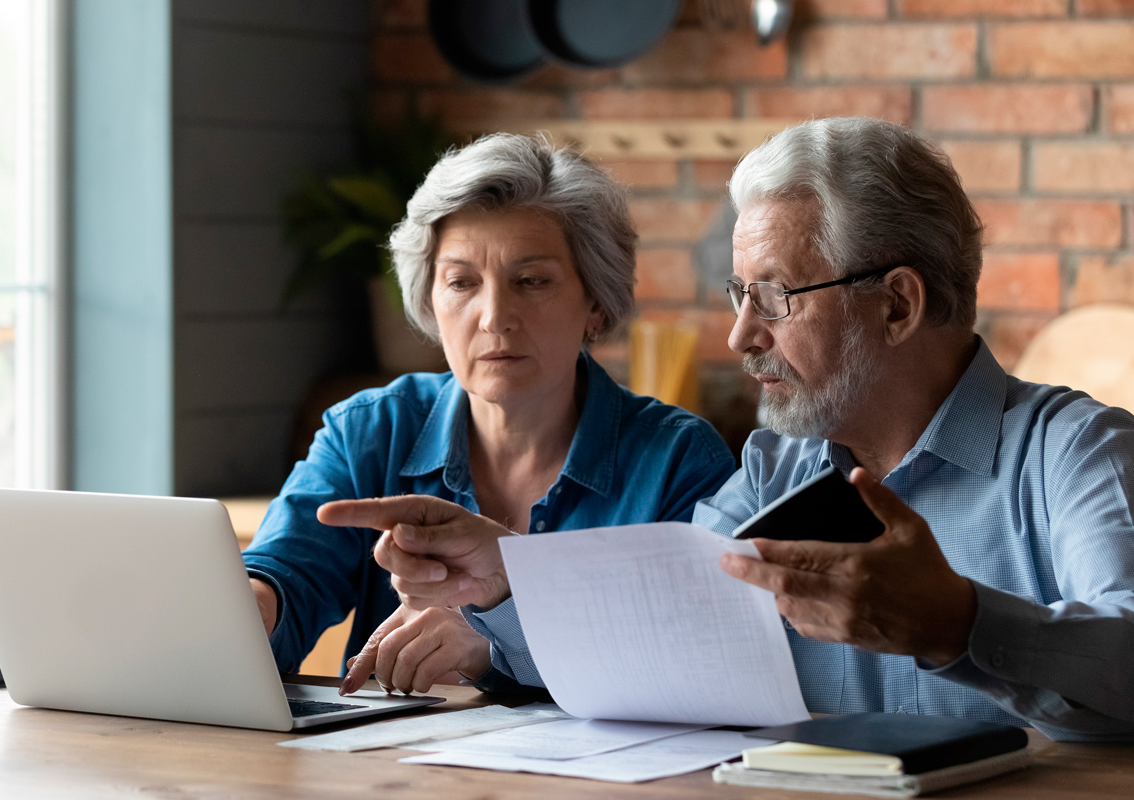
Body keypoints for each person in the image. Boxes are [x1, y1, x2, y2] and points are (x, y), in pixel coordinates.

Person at [320, 118, 1134, 742]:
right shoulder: (775, 469)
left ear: (897, 304)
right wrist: (505, 577)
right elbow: (651, 636)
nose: (742, 337)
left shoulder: (1077, 455)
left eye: (775, 298)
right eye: (736, 296)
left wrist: (956, 623)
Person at [241, 133, 736, 696]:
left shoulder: (679, 461)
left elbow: (694, 656)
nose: (495, 316)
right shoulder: (370, 431)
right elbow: (289, 572)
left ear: (595, 303)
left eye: (531, 281)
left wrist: (497, 645)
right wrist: (254, 608)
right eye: (461, 282)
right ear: (430, 300)